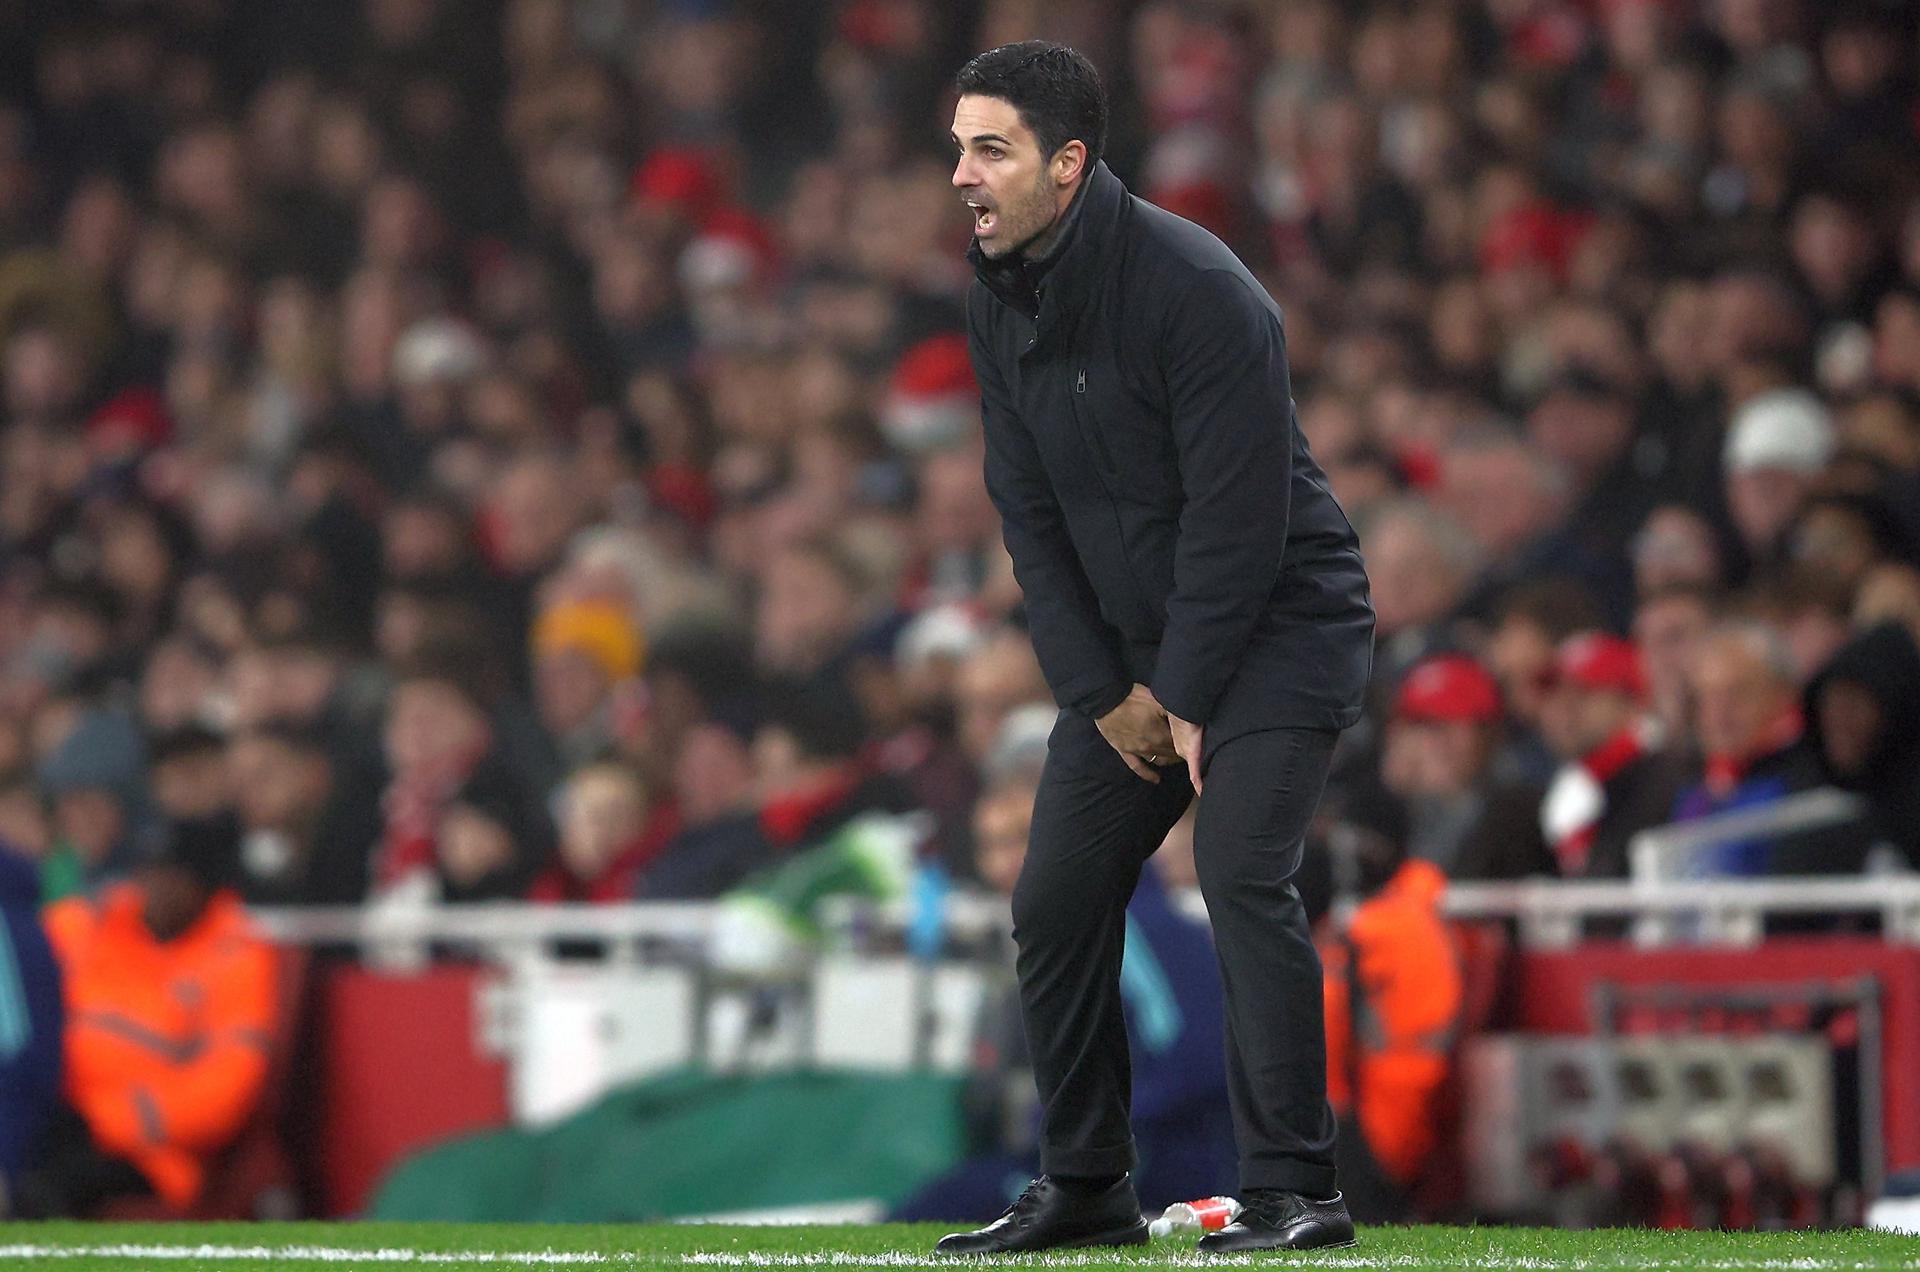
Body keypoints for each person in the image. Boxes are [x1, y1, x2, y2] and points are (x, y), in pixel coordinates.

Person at [938, 42, 1372, 1255]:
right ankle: (1087, 1188)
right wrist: (1106, 694)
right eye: (958, 149)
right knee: (1056, 897)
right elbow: (1025, 512)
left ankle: (1297, 1190)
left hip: (1280, 624)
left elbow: (1242, 523)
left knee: (1240, 870)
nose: (962, 176)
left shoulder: (1200, 287)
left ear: (1068, 164)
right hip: (1135, 654)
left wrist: (1184, 695)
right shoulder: (993, 293)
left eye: (991, 149)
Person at [19, 815, 277, 1216]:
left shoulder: (234, 955)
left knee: (45, 1187)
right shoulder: (94, 924)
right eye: (149, 873)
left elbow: (225, 1090)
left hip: (151, 1154)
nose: (156, 889)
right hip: (56, 1121)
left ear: (202, 882)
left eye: (171, 877)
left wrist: (104, 1120)